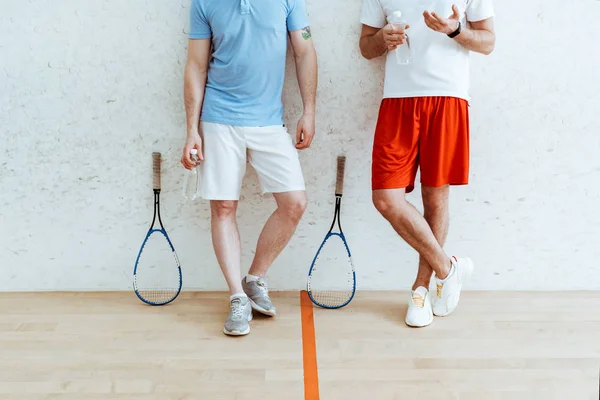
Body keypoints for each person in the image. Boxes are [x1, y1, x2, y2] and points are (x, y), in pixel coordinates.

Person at [181, 0, 317, 336]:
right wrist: (191, 130)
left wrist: (309, 111)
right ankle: (237, 297)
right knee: (224, 207)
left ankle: (255, 277)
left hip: (269, 122)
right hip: (218, 118)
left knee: (294, 203)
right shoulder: (204, 3)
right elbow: (196, 66)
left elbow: (304, 52)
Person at [359, 1, 495, 327]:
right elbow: (366, 46)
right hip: (397, 100)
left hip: (448, 98)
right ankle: (447, 269)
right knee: (385, 198)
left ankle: (420, 290)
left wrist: (456, 30)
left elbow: (488, 42)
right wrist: (382, 40)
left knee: (435, 198)